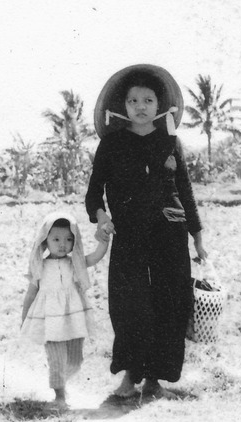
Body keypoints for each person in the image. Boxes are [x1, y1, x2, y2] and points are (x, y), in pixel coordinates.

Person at [85, 64, 208, 401]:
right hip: (129, 234)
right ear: (123, 106)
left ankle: (156, 380)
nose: (141, 106)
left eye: (148, 100)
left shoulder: (171, 142)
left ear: (159, 105)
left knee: (171, 303)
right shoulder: (111, 145)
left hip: (170, 232)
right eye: (133, 100)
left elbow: (184, 189)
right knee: (129, 304)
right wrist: (101, 217)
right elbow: (94, 193)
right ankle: (129, 376)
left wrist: (196, 235)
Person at [21, 212, 108, 405]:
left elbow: (95, 257)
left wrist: (104, 242)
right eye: (56, 239)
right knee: (57, 358)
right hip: (51, 321)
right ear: (45, 241)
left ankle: (61, 381)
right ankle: (59, 395)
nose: (62, 244)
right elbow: (30, 294)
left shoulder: (75, 263)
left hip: (73, 320)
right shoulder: (39, 267)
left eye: (68, 239)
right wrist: (24, 318)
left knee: (75, 361)